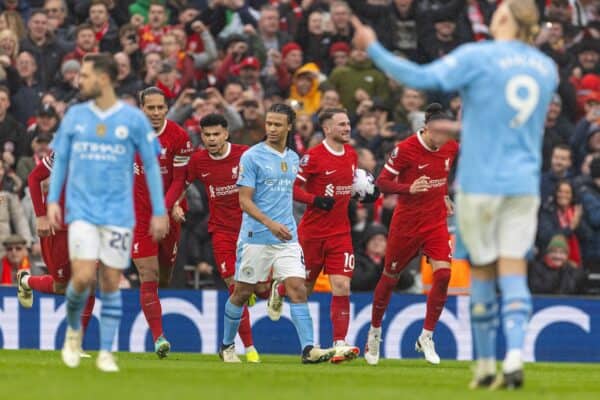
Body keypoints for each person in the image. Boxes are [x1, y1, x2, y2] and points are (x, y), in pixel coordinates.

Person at [352, 0, 558, 389]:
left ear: (501, 19)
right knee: (513, 272)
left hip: (479, 188)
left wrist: (373, 46)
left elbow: (416, 73)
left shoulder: (477, 56)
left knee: (473, 273)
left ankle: (478, 364)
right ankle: (513, 354)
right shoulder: (546, 68)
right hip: (523, 185)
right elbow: (507, 123)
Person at [47, 53, 168, 372]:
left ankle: (105, 352)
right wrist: (52, 202)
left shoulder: (133, 120)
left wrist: (159, 210)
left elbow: (153, 166)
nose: (79, 80)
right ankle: (74, 334)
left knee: (112, 280)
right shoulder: (75, 116)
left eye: (85, 75)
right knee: (85, 276)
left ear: (102, 79)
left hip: (119, 214)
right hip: (83, 211)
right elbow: (59, 159)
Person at [219, 103, 335, 364]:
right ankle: (226, 345)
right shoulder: (251, 156)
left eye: (277, 124)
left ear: (289, 126)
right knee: (241, 292)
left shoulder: (293, 158)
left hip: (287, 238)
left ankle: (308, 349)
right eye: (269, 124)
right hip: (255, 237)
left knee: (297, 288)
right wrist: (270, 223)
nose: (271, 129)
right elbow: (244, 201)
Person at [364, 103, 458, 366]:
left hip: (435, 222)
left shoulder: (450, 147)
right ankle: (374, 332)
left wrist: (445, 195)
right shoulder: (404, 150)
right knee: (390, 277)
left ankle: (426, 336)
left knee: (443, 274)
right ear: (427, 128)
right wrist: (408, 188)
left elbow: (443, 174)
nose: (444, 139)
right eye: (440, 133)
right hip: (406, 224)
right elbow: (381, 183)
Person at [173, 113, 263, 363]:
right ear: (202, 136)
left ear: (226, 134)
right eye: (207, 135)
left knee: (260, 289)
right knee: (236, 290)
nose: (211, 139)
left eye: (216, 134)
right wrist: (176, 205)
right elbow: (180, 183)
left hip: (251, 231)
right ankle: (246, 348)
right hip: (221, 232)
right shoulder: (199, 160)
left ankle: (258, 292)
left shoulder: (246, 154)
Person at [285, 108, 366, 363]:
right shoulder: (313, 157)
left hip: (340, 233)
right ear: (327, 129)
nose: (347, 128)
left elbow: (348, 187)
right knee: (303, 289)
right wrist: (315, 200)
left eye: (348, 123)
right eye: (341, 124)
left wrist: (364, 193)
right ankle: (280, 290)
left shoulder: (352, 155)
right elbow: (292, 189)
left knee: (342, 285)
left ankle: (340, 343)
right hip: (312, 234)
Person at [132, 86, 193, 359]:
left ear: (166, 108)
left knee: (165, 277)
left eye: (160, 107)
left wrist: (168, 208)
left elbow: (180, 180)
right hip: (138, 217)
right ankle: (159, 338)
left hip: (168, 212)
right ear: (141, 108)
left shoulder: (178, 136)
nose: (155, 113)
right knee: (149, 275)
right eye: (150, 108)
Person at [17, 152, 96, 338]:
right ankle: (26, 281)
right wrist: (40, 216)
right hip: (59, 228)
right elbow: (34, 177)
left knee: (90, 282)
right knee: (62, 287)